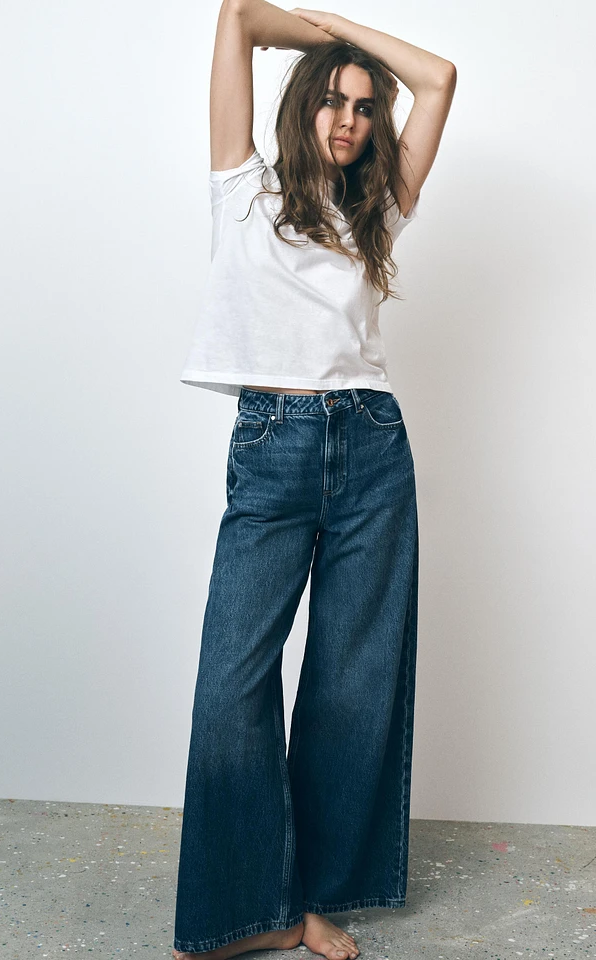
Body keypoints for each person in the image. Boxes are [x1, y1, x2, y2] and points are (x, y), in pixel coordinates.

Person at [173, 2, 456, 958]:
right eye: (334, 100)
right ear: (301, 106)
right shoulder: (241, 185)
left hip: (372, 446)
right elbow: (239, 15)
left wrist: (350, 38)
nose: (350, 120)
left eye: (366, 107)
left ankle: (310, 899)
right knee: (233, 679)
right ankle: (241, 912)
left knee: (352, 682)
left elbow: (440, 78)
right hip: (276, 444)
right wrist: (325, 36)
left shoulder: (378, 208)